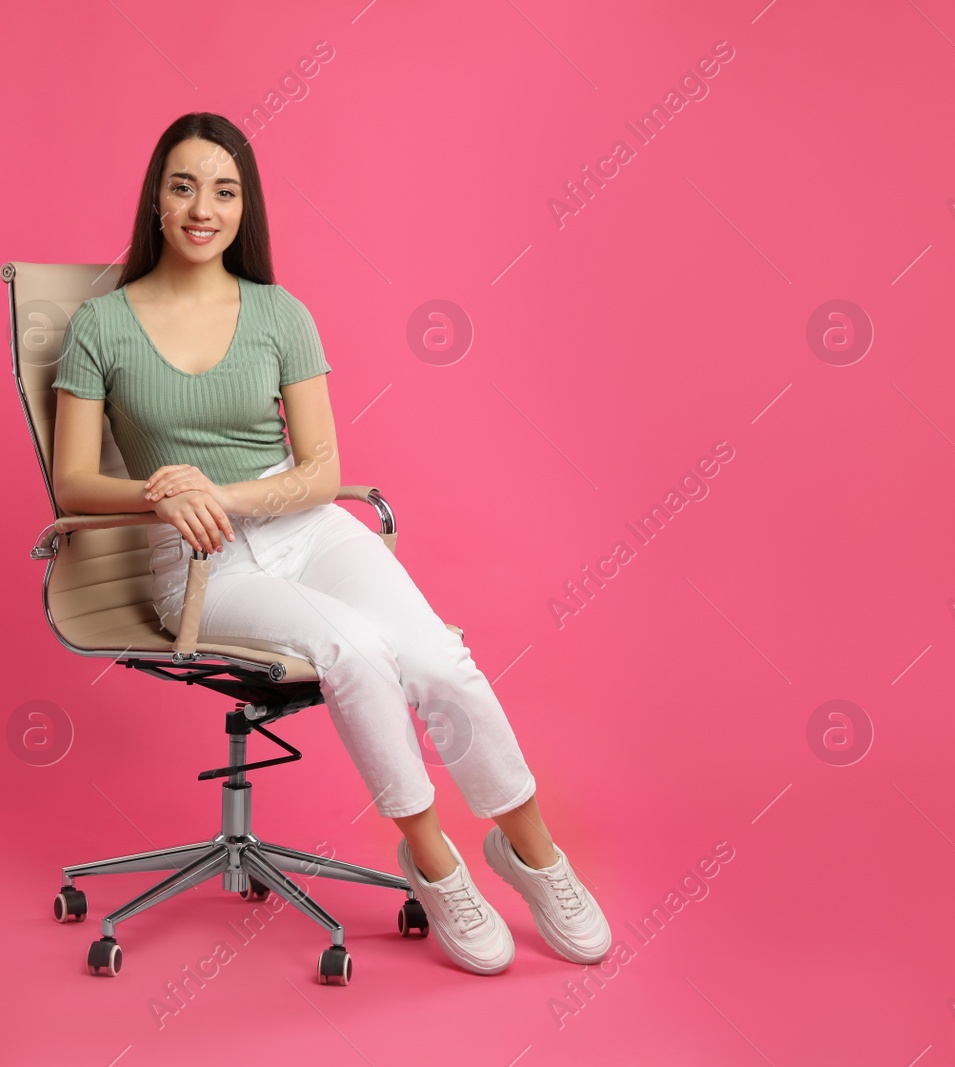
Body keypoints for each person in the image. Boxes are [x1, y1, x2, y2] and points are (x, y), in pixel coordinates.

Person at [49, 112, 610, 975]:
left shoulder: (280, 314)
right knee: (352, 648)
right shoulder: (103, 325)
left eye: (225, 191)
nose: (204, 207)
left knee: (436, 654)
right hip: (198, 563)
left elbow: (320, 470)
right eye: (184, 185)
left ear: (246, 208)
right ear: (156, 199)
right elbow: (73, 483)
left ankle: (530, 851)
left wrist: (224, 491)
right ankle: (433, 862)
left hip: (304, 526)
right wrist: (164, 491)